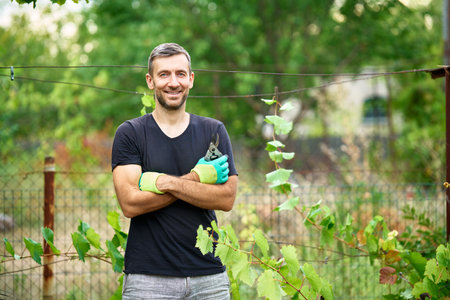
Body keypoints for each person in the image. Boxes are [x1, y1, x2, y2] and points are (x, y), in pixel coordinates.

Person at [111, 42, 238, 299]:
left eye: (180, 74)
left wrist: (163, 182)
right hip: (148, 279)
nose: (173, 82)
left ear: (191, 79)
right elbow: (130, 204)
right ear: (150, 81)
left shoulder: (213, 132)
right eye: (164, 74)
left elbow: (226, 198)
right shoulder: (131, 134)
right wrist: (196, 178)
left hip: (209, 278)